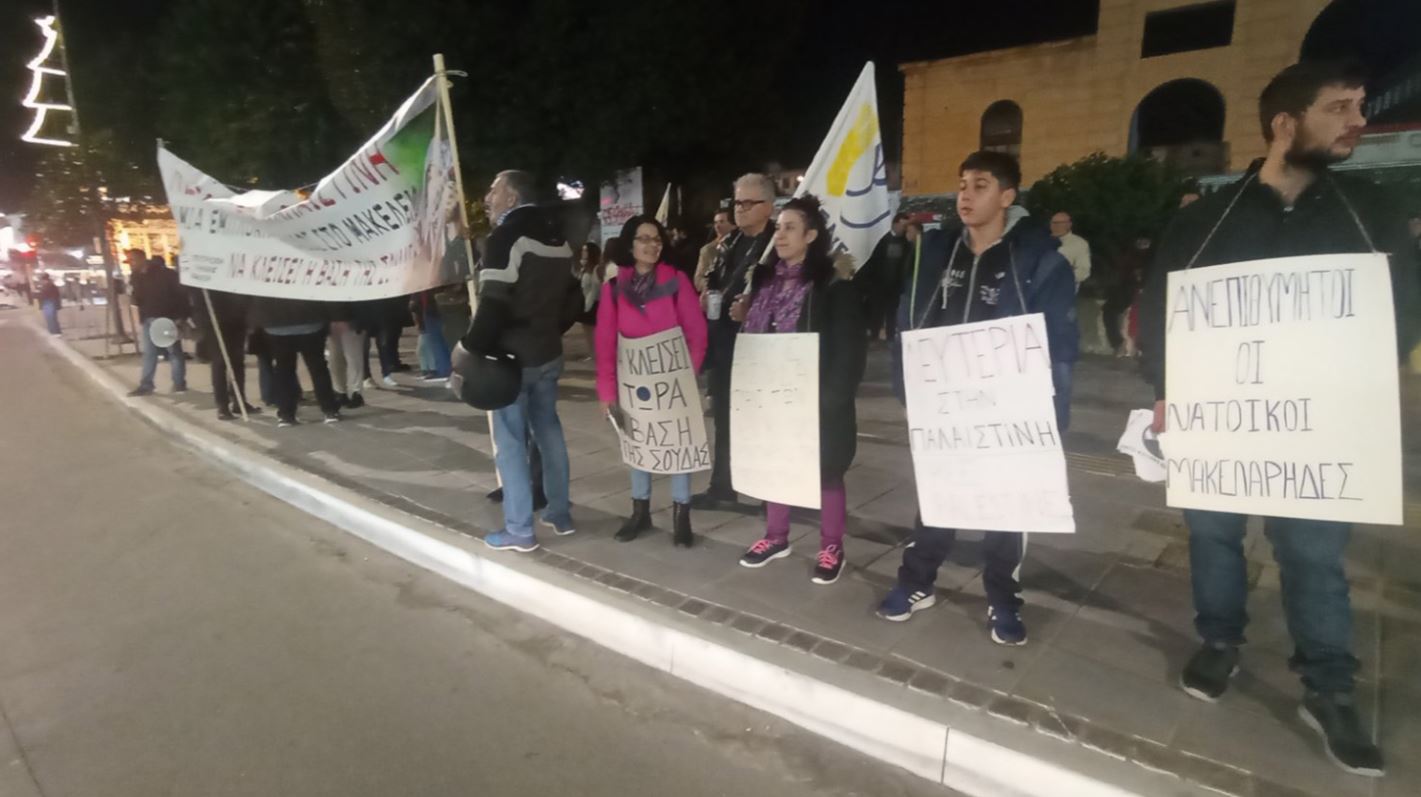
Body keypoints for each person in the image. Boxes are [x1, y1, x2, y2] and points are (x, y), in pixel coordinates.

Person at [1138, 62, 1421, 778]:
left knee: (1312, 553)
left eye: (1359, 104)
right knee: (1213, 537)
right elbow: (1162, 308)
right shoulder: (1205, 220)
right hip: (1220, 421)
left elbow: (1402, 309)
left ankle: (1329, 685)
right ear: (1284, 124)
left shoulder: (1369, 213)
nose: (1357, 120)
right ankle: (1219, 641)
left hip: (1321, 424)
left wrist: (1371, 377)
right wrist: (1165, 389)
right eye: (1339, 107)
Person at [876, 151, 1078, 644]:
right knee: (937, 498)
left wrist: (1052, 413)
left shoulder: (1040, 260)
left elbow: (1060, 340)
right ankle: (916, 581)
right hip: (945, 406)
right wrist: (908, 388)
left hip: (1007, 409)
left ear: (1007, 196)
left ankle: (1003, 598)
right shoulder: (936, 252)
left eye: (980, 185)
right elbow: (908, 320)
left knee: (1006, 508)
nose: (965, 195)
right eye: (962, 184)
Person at [726, 195, 866, 582]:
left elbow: (849, 349)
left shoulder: (832, 286)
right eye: (778, 227)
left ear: (811, 235)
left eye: (790, 227)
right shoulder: (765, 281)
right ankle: (776, 536)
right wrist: (746, 313)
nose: (781, 235)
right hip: (773, 397)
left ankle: (831, 546)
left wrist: (829, 398)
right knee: (776, 465)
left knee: (827, 473)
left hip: (818, 401)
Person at [465, 170, 583, 552]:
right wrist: (548, 329)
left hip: (511, 361)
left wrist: (470, 349)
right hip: (548, 354)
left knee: (512, 442)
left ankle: (519, 530)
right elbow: (575, 301)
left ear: (512, 197)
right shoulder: (557, 237)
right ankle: (559, 513)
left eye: (493, 190)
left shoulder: (506, 237)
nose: (488, 197)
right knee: (549, 432)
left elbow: (493, 304)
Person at [596, 215, 708, 547]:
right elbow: (605, 344)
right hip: (635, 383)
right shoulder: (614, 289)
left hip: (674, 384)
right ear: (630, 245)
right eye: (644, 238)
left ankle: (681, 515)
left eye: (657, 239)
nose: (652, 245)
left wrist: (686, 375)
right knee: (638, 443)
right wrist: (607, 392)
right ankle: (640, 511)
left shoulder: (677, 281)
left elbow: (697, 333)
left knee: (679, 447)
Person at [693, 173, 776, 508]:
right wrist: (707, 295)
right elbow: (714, 280)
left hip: (758, 351)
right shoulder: (729, 243)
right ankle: (723, 486)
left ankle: (770, 492)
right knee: (724, 419)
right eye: (737, 202)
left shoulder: (774, 245)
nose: (739, 209)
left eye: (748, 202)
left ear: (768, 206)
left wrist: (752, 311)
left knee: (760, 422)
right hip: (724, 344)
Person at [250, 298, 341, 427]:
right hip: (310, 319)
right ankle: (329, 410)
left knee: (283, 371)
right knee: (318, 368)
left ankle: (286, 414)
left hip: (276, 324)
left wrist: (256, 321)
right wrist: (334, 316)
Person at [128, 251, 189, 396]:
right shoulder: (137, 276)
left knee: (174, 352)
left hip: (166, 318)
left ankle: (179, 383)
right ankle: (147, 384)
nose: (131, 264)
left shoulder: (166, 274)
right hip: (148, 318)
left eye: (132, 260)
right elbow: (137, 298)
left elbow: (181, 296)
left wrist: (181, 317)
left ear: (142, 259)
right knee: (150, 353)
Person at [197, 289, 259, 420]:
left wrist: (249, 317)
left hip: (237, 320)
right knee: (219, 363)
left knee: (238, 362)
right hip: (214, 321)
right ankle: (222, 406)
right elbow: (196, 295)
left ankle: (239, 401)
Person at [855, 212, 912, 340]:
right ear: (895, 224)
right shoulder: (883, 240)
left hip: (895, 286)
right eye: (903, 226)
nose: (904, 229)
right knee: (877, 312)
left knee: (891, 313)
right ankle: (874, 336)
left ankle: (890, 336)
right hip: (879, 285)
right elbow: (874, 261)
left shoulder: (905, 243)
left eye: (906, 227)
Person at [327, 303, 366, 409]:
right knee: (335, 359)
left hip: (351, 320)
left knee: (353, 359)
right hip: (332, 319)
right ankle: (340, 392)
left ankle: (356, 392)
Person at [412, 289, 452, 382]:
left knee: (435, 344)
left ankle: (441, 369)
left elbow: (415, 306)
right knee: (436, 343)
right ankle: (441, 369)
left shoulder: (424, 289)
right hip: (433, 313)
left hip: (432, 313)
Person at [694, 209, 737, 293]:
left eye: (721, 222)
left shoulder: (742, 243)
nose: (717, 226)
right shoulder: (707, 250)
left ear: (733, 225)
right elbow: (698, 279)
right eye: (715, 222)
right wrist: (709, 285)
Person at [1048, 211, 1092, 291]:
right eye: (1053, 223)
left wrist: (1062, 277)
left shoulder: (1079, 243)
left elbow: (1083, 271)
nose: (1055, 226)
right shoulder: (1041, 240)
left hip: (1064, 290)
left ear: (1069, 224)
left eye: (1059, 223)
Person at [576, 242, 602, 359]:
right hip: (586, 304)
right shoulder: (584, 267)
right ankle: (593, 354)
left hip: (592, 304)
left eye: (586, 250)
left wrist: (586, 306)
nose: (583, 252)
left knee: (593, 333)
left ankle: (596, 354)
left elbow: (595, 290)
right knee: (588, 333)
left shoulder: (595, 268)